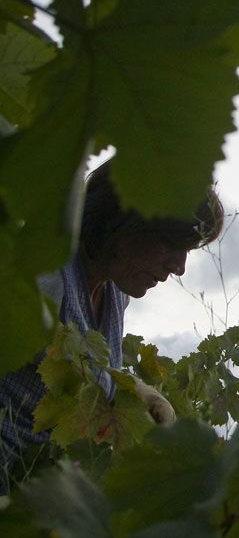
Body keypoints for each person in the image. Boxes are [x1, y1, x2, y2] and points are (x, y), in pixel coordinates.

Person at [0, 158, 223, 492]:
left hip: (36, 498)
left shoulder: (115, 293)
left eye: (188, 251)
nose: (179, 267)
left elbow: (80, 366)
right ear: (126, 219)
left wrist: (136, 389)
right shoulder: (49, 274)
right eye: (172, 244)